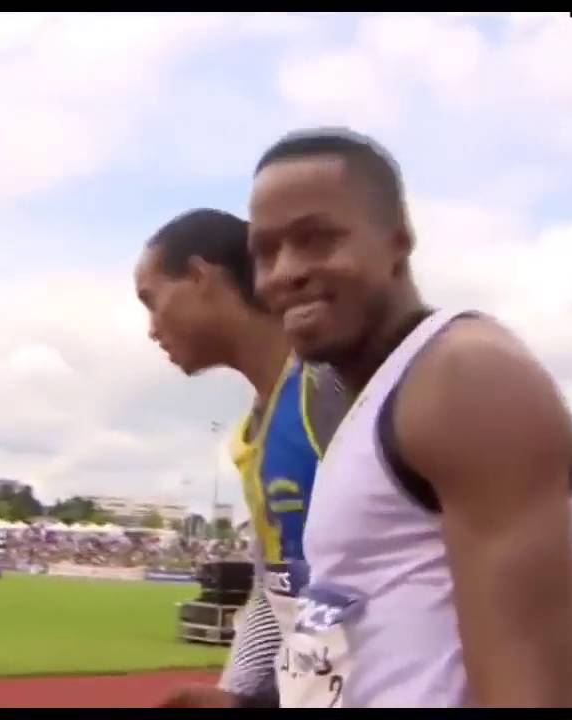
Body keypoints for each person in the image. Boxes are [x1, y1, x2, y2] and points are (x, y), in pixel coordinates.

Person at [246, 128, 572, 708]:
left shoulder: (468, 379)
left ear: (397, 241)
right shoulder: (382, 396)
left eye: (316, 240)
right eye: (266, 252)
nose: (285, 272)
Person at [133, 208, 347, 708]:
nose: (151, 328)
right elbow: (278, 594)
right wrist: (237, 697)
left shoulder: (334, 391)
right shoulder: (254, 436)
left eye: (152, 300)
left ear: (200, 277)